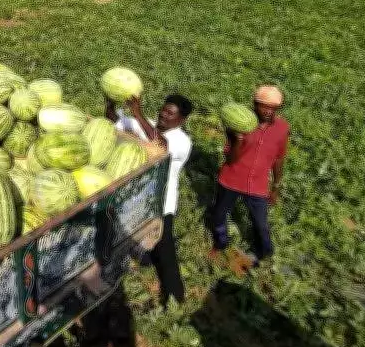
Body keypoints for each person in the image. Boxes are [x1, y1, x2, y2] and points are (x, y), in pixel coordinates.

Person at [106, 93, 193, 304]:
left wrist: (138, 114)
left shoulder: (182, 141)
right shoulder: (149, 124)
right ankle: (144, 259)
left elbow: (160, 146)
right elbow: (114, 120)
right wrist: (110, 101)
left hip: (161, 202)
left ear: (181, 120)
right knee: (135, 232)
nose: (163, 114)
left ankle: (175, 295)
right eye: (163, 109)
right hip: (139, 199)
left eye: (170, 113)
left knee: (165, 247)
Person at [211, 86, 289, 266]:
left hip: (258, 185)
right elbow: (230, 159)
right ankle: (220, 244)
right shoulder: (239, 124)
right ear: (254, 104)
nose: (269, 111)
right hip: (231, 180)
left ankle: (264, 251)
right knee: (219, 215)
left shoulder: (282, 128)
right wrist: (238, 139)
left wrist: (276, 186)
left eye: (274, 108)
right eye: (264, 106)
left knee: (260, 223)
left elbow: (279, 158)